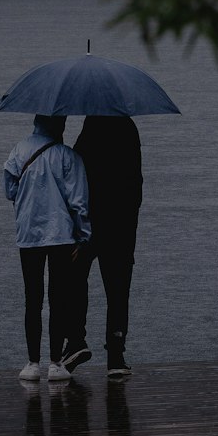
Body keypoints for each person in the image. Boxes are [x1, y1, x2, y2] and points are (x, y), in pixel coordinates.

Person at [3, 114, 91, 383]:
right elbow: (79, 202)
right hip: (61, 235)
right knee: (59, 298)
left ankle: (32, 363)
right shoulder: (68, 156)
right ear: (60, 125)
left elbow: (9, 190)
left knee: (33, 297)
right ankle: (55, 363)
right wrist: (83, 236)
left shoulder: (19, 150)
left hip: (28, 233)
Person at [63, 115, 142, 378]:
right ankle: (116, 355)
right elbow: (135, 182)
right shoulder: (129, 128)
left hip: (90, 223)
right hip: (121, 225)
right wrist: (130, 220)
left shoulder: (92, 126)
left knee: (75, 277)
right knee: (118, 289)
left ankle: (76, 339)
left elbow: (75, 174)